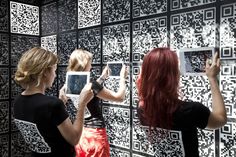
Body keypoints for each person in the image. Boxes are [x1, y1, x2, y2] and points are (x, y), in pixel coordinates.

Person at [136, 47, 226, 157]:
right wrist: (212, 79)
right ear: (172, 76)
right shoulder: (191, 110)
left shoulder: (141, 108)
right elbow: (220, 119)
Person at [13, 47, 94, 157]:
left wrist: (61, 102)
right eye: (54, 70)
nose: (55, 75)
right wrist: (82, 104)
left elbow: (46, 126)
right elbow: (74, 139)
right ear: (45, 72)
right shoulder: (52, 104)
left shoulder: (18, 101)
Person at [60, 49, 128, 157]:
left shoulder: (68, 83)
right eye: (90, 64)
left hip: (81, 133)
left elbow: (91, 91)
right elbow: (119, 97)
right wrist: (122, 78)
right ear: (84, 64)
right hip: (95, 135)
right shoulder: (91, 85)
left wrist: (102, 77)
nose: (91, 67)